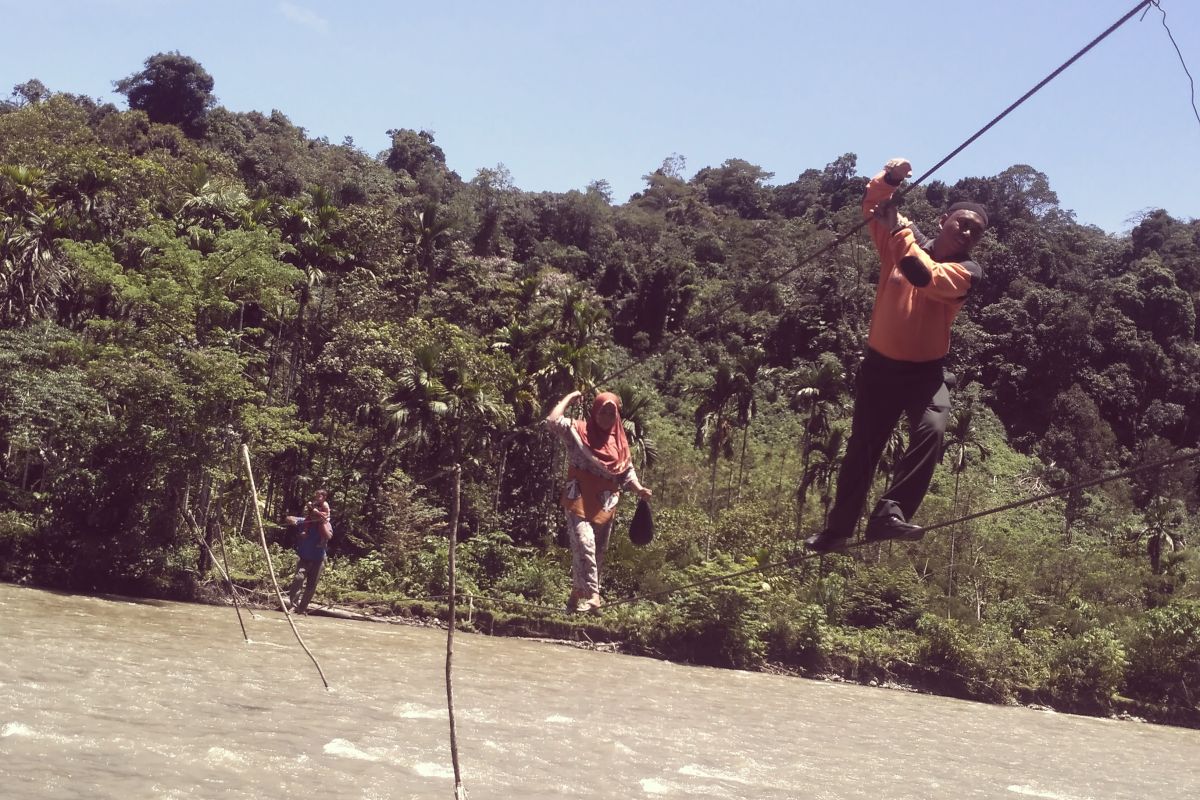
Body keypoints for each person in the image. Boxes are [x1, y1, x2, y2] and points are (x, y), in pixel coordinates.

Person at [805, 157, 988, 552]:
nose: (968, 231)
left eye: (976, 230)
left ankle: (890, 513)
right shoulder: (901, 238)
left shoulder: (968, 271)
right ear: (944, 220)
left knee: (933, 430)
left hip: (925, 374)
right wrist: (890, 179)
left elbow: (923, 275)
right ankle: (838, 530)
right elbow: (875, 206)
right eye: (963, 222)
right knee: (861, 451)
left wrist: (900, 230)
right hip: (880, 369)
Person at [545, 390, 652, 613]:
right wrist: (568, 398)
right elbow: (552, 421)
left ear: (617, 417)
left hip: (605, 503)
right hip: (579, 498)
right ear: (595, 411)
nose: (606, 417)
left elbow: (627, 472)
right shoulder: (579, 431)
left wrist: (639, 489)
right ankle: (594, 595)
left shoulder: (620, 444)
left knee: (594, 552)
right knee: (585, 543)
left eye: (611, 414)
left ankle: (575, 594)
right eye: (603, 412)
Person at [288, 488, 333, 613]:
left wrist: (320, 521)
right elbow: (289, 518)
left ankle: (302, 609)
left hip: (318, 560)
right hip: (304, 559)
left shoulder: (325, 523)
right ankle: (293, 606)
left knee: (311, 586)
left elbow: (329, 536)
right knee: (298, 579)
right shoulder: (306, 521)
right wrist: (295, 521)